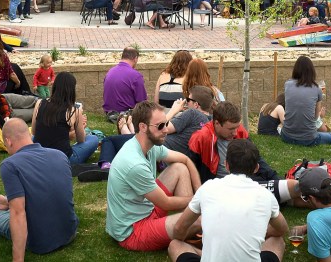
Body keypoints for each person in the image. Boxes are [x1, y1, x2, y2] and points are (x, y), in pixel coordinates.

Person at [166, 138, 288, 262]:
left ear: (226, 164)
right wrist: (258, 233)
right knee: (277, 241)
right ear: (256, 168)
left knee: (175, 245)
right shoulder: (266, 195)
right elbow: (282, 229)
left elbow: (179, 228)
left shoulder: (207, 187)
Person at [0, 118, 79, 258]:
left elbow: (18, 214)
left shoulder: (10, 165)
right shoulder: (59, 155)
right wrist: (7, 202)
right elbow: (50, 193)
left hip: (40, 241)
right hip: (69, 232)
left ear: (8, 141)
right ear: (29, 135)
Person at [105, 100, 201, 251]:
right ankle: (188, 226)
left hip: (147, 209)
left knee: (179, 168)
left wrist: (200, 191)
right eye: (160, 126)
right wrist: (199, 201)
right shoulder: (134, 163)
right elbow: (166, 203)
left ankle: (185, 225)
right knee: (200, 220)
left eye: (166, 123)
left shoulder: (148, 145)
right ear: (143, 127)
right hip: (133, 230)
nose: (166, 130)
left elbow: (185, 160)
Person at [30, 72, 102, 165]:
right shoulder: (74, 111)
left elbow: (34, 132)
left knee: (33, 137)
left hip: (40, 155)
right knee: (93, 139)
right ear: (72, 90)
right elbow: (81, 140)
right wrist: (82, 127)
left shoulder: (39, 103)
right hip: (63, 159)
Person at [187, 101, 251, 182]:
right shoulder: (201, 138)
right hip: (213, 185)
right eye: (231, 129)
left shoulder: (240, 131)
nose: (235, 133)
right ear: (217, 123)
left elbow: (255, 159)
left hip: (241, 182)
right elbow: (190, 169)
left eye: (237, 127)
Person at [281, 56, 331, 146]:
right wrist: (321, 115)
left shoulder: (287, 85)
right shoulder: (317, 88)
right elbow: (315, 116)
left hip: (287, 136)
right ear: (311, 71)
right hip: (308, 139)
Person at [163, 86, 215, 161]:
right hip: (184, 160)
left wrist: (174, 110)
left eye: (188, 100)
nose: (186, 102)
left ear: (196, 105)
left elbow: (161, 128)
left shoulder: (192, 113)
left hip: (168, 157)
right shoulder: (210, 120)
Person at [103, 47, 148, 119]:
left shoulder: (110, 72)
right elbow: (142, 102)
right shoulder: (136, 76)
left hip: (109, 113)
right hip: (126, 115)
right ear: (135, 58)